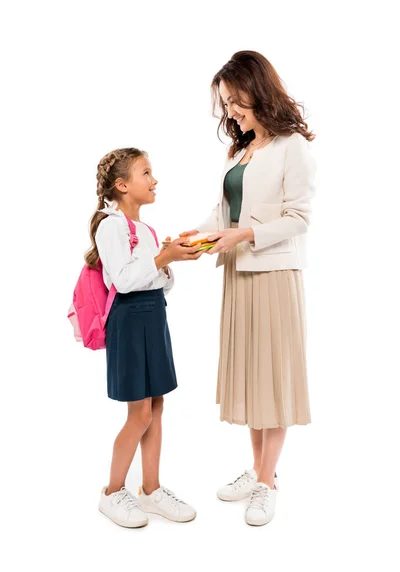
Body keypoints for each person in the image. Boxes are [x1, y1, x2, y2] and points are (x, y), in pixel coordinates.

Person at [181, 51, 316, 526]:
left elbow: (298, 219)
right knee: (253, 377)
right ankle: (261, 470)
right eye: (226, 104)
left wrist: (245, 235)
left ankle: (266, 481)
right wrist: (193, 237)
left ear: (259, 89)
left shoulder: (291, 145)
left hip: (274, 274)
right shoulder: (237, 151)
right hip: (238, 273)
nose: (232, 111)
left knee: (273, 379)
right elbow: (224, 217)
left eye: (236, 100)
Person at [85, 147, 202, 528]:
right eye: (146, 173)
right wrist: (162, 259)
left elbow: (159, 285)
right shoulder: (110, 226)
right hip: (129, 323)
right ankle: (113, 492)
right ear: (122, 185)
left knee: (157, 407)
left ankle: (150, 490)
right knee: (139, 414)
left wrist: (170, 259)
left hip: (154, 318)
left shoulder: (147, 230)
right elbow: (123, 281)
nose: (154, 181)